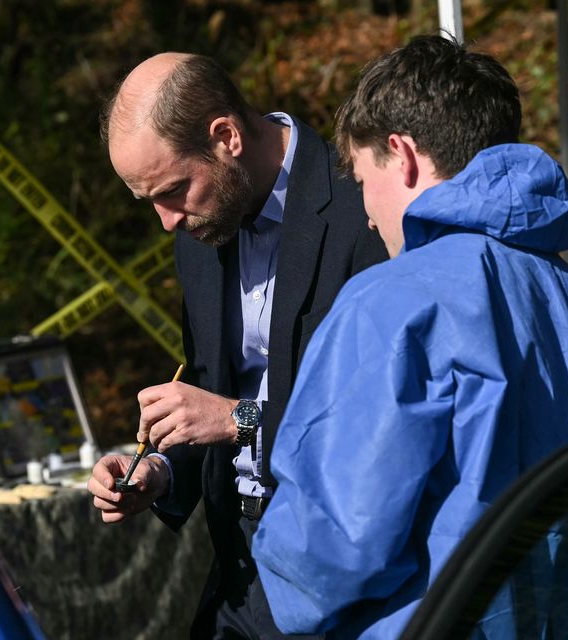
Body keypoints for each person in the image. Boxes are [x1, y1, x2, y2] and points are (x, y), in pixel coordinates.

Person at [251, 34, 568, 638]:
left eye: (362, 181)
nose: (368, 216)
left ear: (400, 154)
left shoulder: (390, 304)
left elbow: (328, 551)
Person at [86, 52, 387, 638]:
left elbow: (374, 421)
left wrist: (237, 421)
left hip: (339, 571)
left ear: (226, 136)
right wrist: (161, 470)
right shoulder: (201, 227)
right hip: (239, 566)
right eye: (148, 200)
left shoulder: (364, 209)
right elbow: (207, 393)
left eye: (172, 190)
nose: (165, 221)